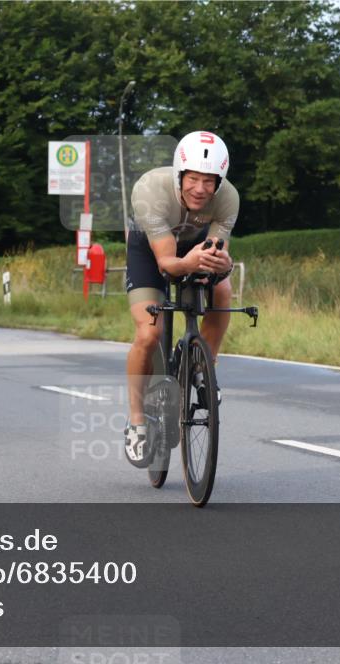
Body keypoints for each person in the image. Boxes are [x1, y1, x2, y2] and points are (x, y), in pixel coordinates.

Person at [123, 131, 238, 467]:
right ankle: (136, 421)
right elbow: (167, 264)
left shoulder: (228, 198)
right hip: (151, 251)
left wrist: (222, 264)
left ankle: (204, 368)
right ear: (179, 175)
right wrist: (187, 264)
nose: (200, 189)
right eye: (193, 179)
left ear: (220, 182)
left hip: (194, 246)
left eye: (209, 181)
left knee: (222, 288)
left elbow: (218, 252)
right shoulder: (149, 190)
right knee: (149, 334)